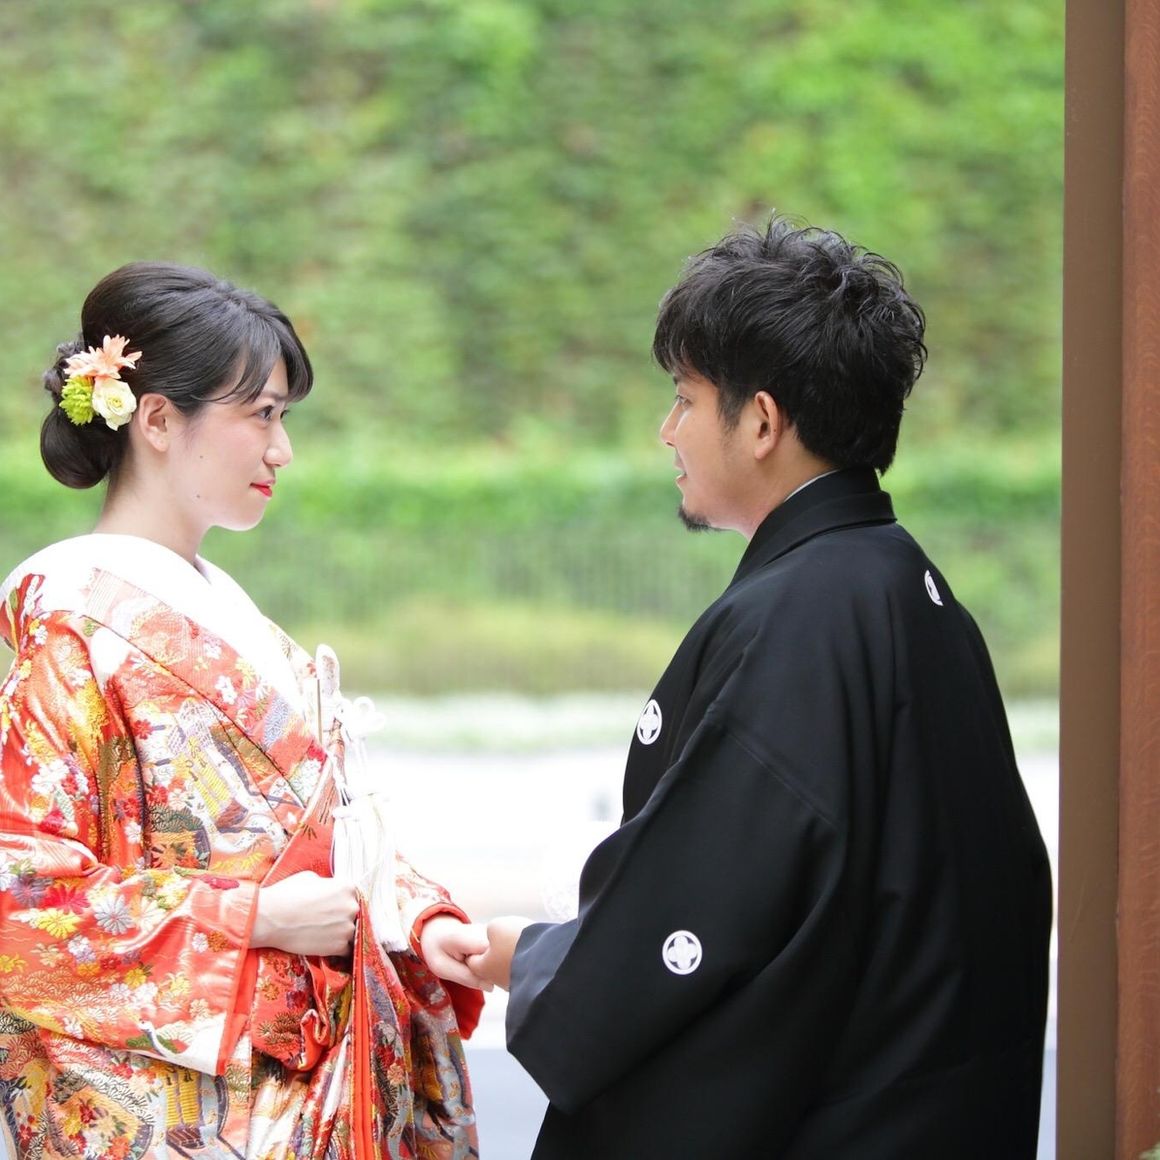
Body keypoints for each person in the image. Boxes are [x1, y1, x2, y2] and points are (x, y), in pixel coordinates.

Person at [468, 215, 1053, 1157]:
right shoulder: (906, 584)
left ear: (763, 422)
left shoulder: (798, 620)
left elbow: (709, 910)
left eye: (685, 400)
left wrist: (530, 961)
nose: (667, 432)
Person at [0, 262, 487, 1159]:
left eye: (283, 417)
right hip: (202, 1109)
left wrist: (419, 918)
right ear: (156, 420)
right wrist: (253, 919)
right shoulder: (73, 625)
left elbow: (323, 831)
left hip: (303, 1085)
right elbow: (24, 892)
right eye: (260, 414)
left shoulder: (227, 613)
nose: (281, 449)